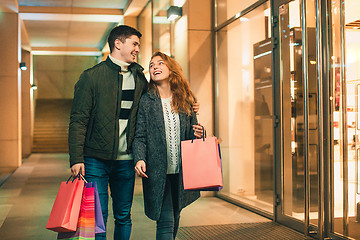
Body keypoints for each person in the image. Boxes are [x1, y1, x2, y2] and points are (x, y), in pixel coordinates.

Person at [68, 25, 148, 240]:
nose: (137, 49)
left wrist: (190, 106)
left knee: (123, 216)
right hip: (95, 160)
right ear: (118, 43)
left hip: (126, 161)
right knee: (97, 217)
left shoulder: (139, 78)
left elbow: (154, 108)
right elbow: (78, 120)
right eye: (134, 44)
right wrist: (76, 158)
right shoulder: (91, 77)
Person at [133, 52, 204, 240]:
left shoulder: (185, 99)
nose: (155, 67)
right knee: (165, 222)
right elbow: (139, 135)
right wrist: (139, 158)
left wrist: (198, 133)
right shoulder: (147, 101)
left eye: (160, 63)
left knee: (175, 216)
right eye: (151, 65)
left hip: (181, 172)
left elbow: (192, 136)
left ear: (171, 69)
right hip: (157, 172)